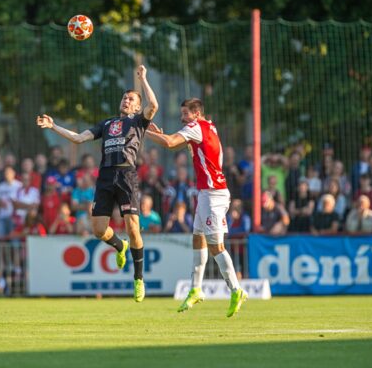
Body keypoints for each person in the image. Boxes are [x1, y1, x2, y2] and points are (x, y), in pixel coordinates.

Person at [36, 64, 158, 302]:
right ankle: (119, 247)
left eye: (130, 99)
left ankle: (138, 278)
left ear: (136, 106)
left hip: (126, 175)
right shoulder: (107, 124)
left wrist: (143, 79)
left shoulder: (138, 122)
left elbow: (153, 106)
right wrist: (53, 126)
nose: (125, 100)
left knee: (133, 228)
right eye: (124, 98)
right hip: (104, 177)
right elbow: (79, 138)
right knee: (99, 230)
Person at [146, 97, 247, 318]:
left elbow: (171, 143)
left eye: (185, 114)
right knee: (197, 238)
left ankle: (236, 290)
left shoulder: (195, 127)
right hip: (205, 194)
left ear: (196, 114)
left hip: (214, 194)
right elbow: (177, 143)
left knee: (215, 246)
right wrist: (160, 135)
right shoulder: (208, 125)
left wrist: (142, 130)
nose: (182, 118)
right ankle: (196, 289)